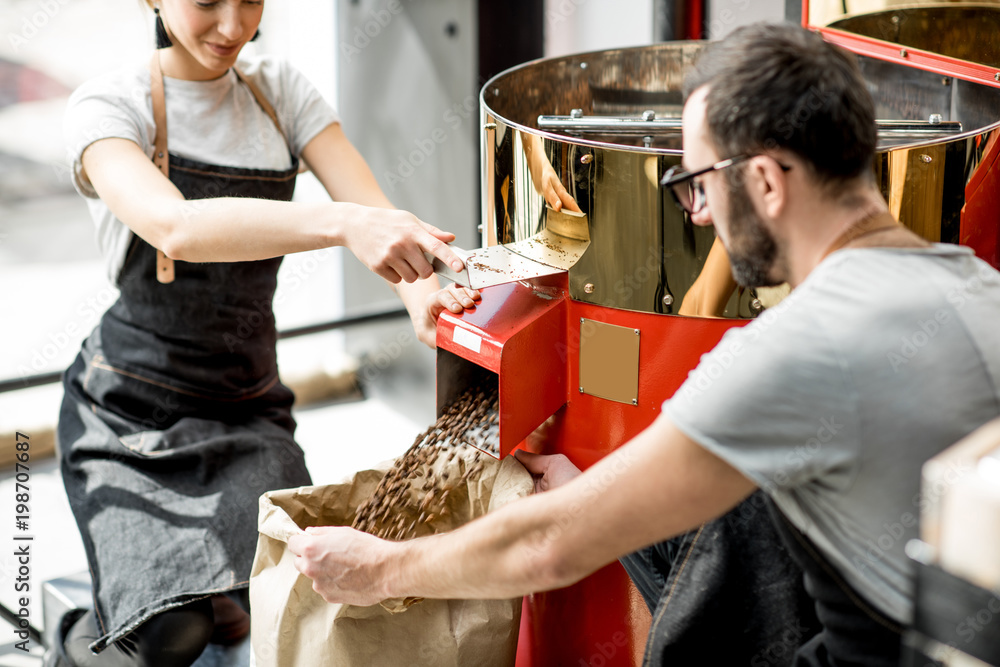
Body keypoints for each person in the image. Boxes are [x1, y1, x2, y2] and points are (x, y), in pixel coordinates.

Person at [288, 22, 1000, 666]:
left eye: (696, 184)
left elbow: (548, 545)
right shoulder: (978, 286)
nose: (697, 216)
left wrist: (378, 568)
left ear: (764, 181)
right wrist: (608, 497)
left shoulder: (795, 348)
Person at [50, 1, 477, 666]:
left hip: (248, 407)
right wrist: (341, 224)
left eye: (250, 0)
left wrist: (428, 298)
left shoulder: (280, 92)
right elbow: (175, 228)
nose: (231, 26)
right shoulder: (108, 107)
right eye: (207, 3)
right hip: (129, 414)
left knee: (298, 598)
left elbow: (372, 210)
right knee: (168, 631)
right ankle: (70, 638)